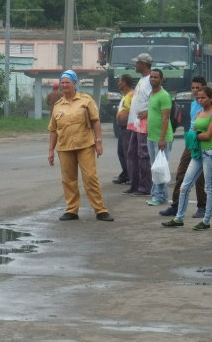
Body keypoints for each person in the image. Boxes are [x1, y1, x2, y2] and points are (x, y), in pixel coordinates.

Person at [47, 70, 114, 222]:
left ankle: (100, 210)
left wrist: (99, 142)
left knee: (90, 177)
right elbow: (53, 129)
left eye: (68, 82)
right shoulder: (58, 106)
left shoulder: (86, 100)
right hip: (65, 147)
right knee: (68, 179)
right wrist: (51, 150)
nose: (65, 85)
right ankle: (72, 210)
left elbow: (96, 121)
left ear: (74, 84)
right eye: (62, 82)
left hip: (85, 145)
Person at [161, 86, 212, 231]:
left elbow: (207, 136)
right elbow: (195, 132)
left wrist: (193, 136)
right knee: (185, 186)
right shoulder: (199, 113)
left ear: (211, 98)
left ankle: (206, 221)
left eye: (203, 98)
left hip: (210, 152)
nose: (200, 100)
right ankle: (179, 218)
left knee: (209, 187)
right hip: (197, 152)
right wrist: (194, 135)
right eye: (198, 98)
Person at [159, 76, 211, 219]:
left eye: (198, 88)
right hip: (192, 143)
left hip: (204, 144)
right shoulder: (194, 104)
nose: (195, 91)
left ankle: (202, 206)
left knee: (200, 177)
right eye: (193, 88)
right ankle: (175, 206)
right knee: (181, 173)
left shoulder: (211, 107)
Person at [124, 53, 154, 197]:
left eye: (137, 63)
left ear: (143, 64)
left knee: (143, 155)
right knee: (131, 154)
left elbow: (153, 98)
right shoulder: (142, 80)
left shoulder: (149, 80)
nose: (135, 65)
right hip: (136, 123)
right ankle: (134, 184)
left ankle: (145, 186)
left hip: (143, 123)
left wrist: (148, 112)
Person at [145, 69, 173, 206]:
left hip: (161, 138)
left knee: (160, 168)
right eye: (151, 77)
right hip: (151, 137)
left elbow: (165, 119)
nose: (153, 79)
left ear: (161, 79)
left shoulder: (164, 96)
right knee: (154, 167)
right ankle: (156, 194)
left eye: (156, 77)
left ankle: (161, 197)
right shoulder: (152, 94)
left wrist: (162, 139)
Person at [112, 74, 134, 185]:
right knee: (121, 152)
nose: (118, 83)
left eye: (120, 81)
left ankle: (131, 176)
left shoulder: (131, 95)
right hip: (122, 127)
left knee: (128, 153)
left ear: (124, 82)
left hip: (128, 128)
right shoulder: (124, 95)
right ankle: (125, 174)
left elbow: (134, 110)